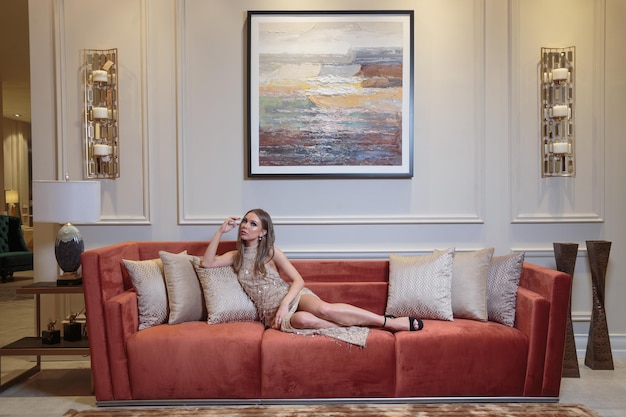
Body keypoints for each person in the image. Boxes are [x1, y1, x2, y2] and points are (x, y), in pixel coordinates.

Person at [201, 208, 422, 346]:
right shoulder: (235, 256)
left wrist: (284, 305)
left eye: (253, 224)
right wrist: (220, 231)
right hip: (271, 314)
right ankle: (355, 328)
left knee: (325, 310)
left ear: (263, 233)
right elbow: (207, 263)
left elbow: (298, 280)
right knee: (303, 320)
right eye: (244, 222)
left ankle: (388, 322)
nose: (245, 226)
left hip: (291, 298)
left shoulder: (271, 252)